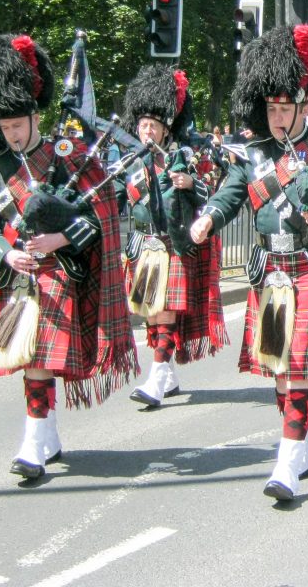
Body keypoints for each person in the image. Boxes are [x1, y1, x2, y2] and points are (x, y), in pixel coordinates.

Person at [189, 24, 308, 502]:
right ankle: (303, 447)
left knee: (298, 364)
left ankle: (286, 461)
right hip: (269, 270)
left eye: (285, 108)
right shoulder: (254, 154)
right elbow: (232, 193)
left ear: (303, 105)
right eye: (271, 109)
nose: (277, 118)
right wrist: (209, 218)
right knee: (279, 368)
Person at [0, 32, 138, 480]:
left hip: (60, 273)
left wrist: (58, 241)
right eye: (4, 129)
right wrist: (6, 255)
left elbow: (99, 218)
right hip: (20, 279)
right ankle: (47, 435)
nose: (12, 135)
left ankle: (32, 441)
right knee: (30, 359)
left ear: (33, 114)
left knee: (40, 357)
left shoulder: (65, 155)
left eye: (18, 126)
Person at [121, 64, 227, 409]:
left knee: (164, 311)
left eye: (152, 125)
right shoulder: (130, 159)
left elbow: (216, 188)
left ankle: (157, 374)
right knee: (151, 312)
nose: (146, 130)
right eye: (142, 124)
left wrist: (190, 183)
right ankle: (167, 375)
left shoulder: (187, 153)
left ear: (167, 128)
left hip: (173, 242)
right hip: (142, 243)